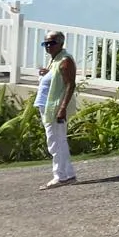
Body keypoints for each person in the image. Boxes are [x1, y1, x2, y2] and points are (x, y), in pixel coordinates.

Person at [36, 30, 77, 190]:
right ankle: (68, 174)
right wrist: (47, 74)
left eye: (51, 43)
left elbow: (70, 85)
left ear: (60, 43)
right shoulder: (55, 60)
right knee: (59, 140)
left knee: (54, 141)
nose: (48, 46)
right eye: (45, 43)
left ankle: (60, 176)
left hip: (54, 107)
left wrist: (62, 108)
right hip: (48, 106)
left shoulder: (65, 60)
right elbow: (56, 77)